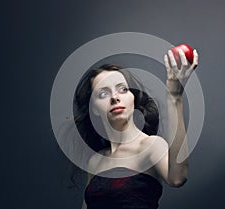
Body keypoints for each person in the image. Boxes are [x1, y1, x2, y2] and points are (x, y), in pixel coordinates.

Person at [72, 49, 199, 209]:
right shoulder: (96, 161)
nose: (114, 97)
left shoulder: (150, 146)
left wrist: (175, 97)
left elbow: (177, 178)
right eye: (103, 94)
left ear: (133, 98)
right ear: (94, 108)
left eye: (123, 89)